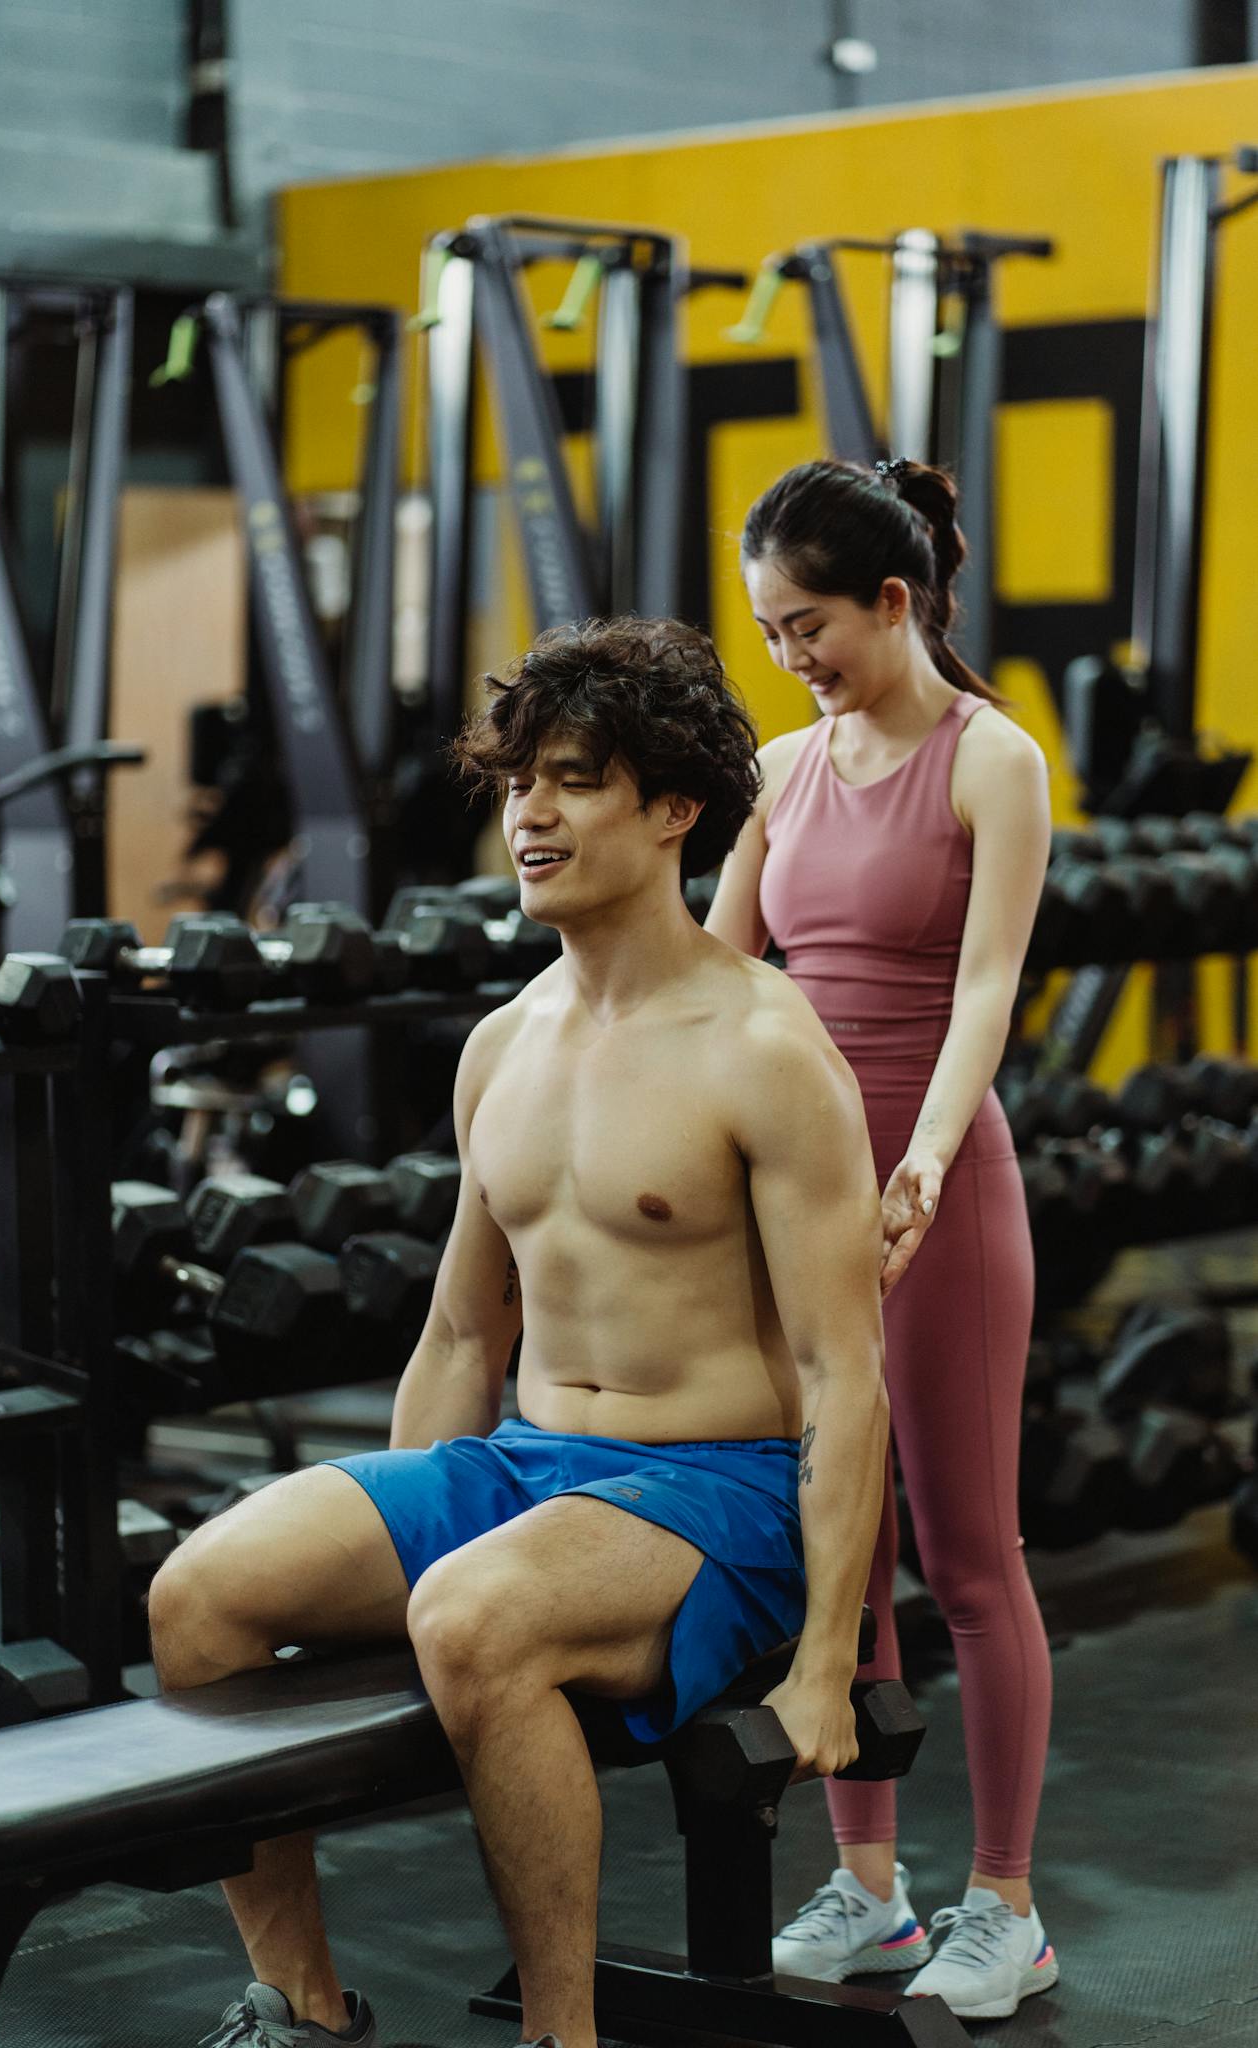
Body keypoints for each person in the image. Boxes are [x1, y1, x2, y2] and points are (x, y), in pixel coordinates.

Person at [147, 614, 891, 2048]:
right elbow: (455, 1335)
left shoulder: (764, 1048)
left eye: (573, 781)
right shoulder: (504, 1045)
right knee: (200, 1596)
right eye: (516, 783)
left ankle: (564, 2037)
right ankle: (302, 2011)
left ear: (673, 810)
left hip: (717, 1490)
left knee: (475, 1614)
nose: (529, 816)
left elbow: (842, 1371)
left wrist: (825, 1662)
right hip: (528, 1463)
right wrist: (404, 1524)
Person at [706, 457, 1056, 2023]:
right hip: (801, 1198)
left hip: (937, 1191)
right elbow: (718, 974)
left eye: (810, 625)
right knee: (840, 1553)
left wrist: (916, 1160)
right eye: (770, 631)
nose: (790, 657)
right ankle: (869, 1889)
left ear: (893, 600)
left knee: (968, 1556)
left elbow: (984, 987)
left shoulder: (993, 758)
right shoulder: (780, 770)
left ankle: (1006, 1905)